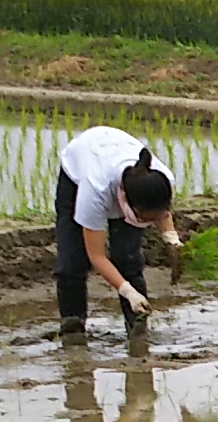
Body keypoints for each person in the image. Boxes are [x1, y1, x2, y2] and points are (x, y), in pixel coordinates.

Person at [52, 123, 181, 335]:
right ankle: (73, 329)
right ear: (127, 204)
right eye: (143, 218)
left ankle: (138, 328)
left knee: (128, 260)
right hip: (77, 174)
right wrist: (127, 290)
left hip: (117, 162)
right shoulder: (94, 189)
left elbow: (162, 211)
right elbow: (97, 256)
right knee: (72, 262)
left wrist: (171, 239)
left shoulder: (159, 179)